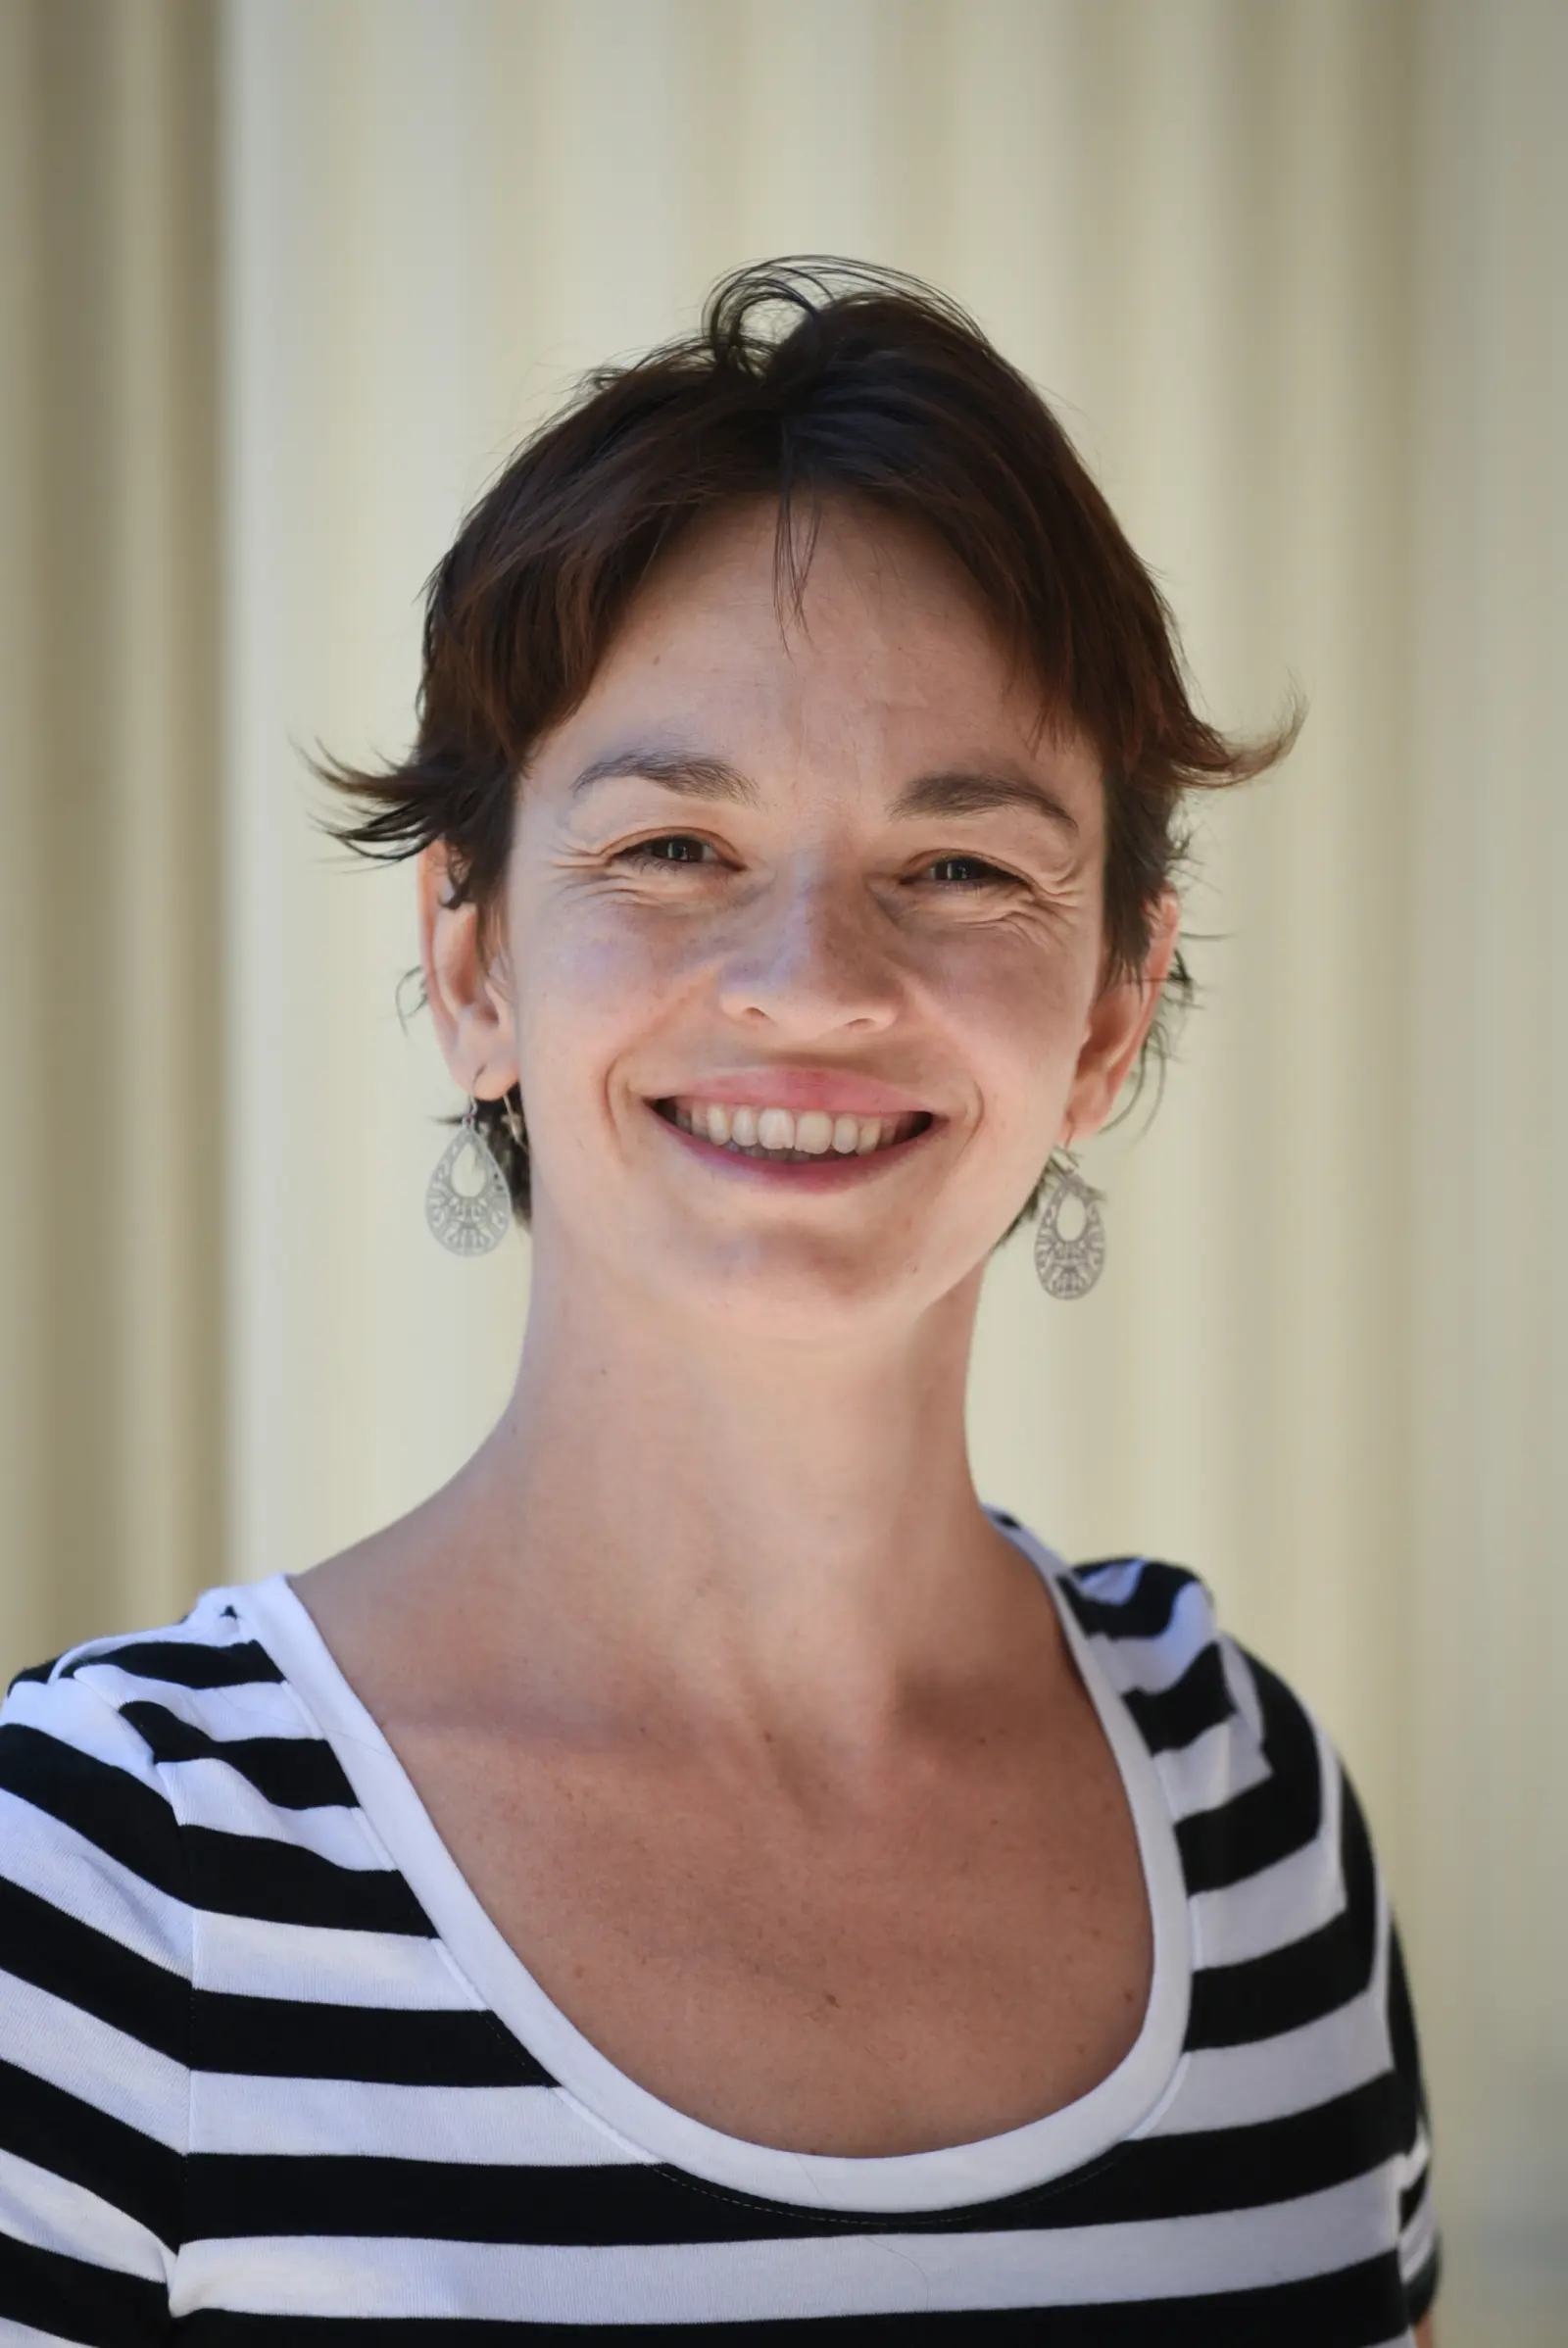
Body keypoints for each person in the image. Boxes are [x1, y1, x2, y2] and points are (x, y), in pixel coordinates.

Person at [0, 261, 1438, 2343]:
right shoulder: (99, 1887)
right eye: (674, 845)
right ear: (475, 958)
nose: (813, 980)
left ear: (1114, 998)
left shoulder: (1253, 1823)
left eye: (958, 869)